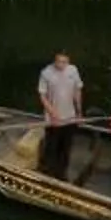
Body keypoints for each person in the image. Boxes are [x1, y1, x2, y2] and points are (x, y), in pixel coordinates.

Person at [38, 52, 84, 180]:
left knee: (66, 146)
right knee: (52, 146)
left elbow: (77, 90)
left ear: (68, 61)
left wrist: (79, 111)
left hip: (69, 117)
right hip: (53, 119)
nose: (61, 65)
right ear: (54, 60)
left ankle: (62, 173)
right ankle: (47, 171)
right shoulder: (46, 73)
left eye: (64, 62)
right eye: (59, 62)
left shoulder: (73, 70)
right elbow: (42, 96)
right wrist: (52, 112)